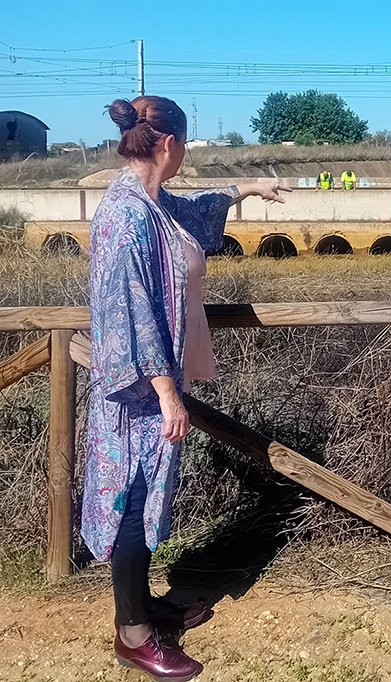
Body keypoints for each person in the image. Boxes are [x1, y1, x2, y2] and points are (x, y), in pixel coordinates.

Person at [85, 95, 290, 681]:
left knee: (145, 498)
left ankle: (142, 607)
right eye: (185, 146)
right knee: (130, 501)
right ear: (170, 145)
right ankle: (134, 635)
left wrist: (246, 189)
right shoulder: (124, 217)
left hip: (153, 384)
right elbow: (134, 314)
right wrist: (168, 393)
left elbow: (193, 212)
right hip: (137, 393)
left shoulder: (151, 205)